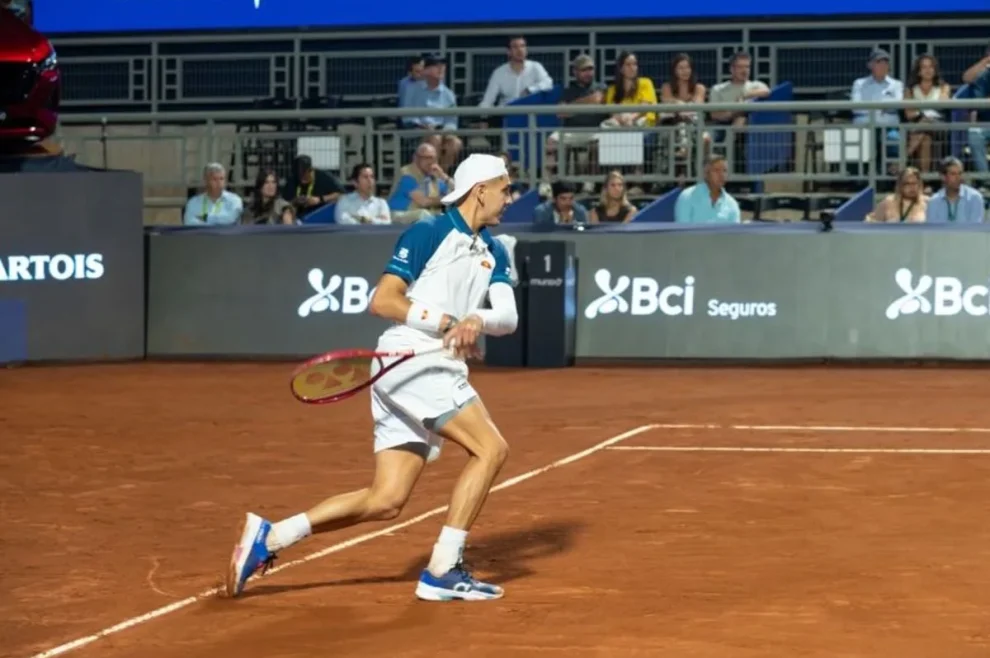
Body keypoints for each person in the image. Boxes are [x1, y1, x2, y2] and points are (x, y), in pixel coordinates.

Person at [225, 153, 518, 602]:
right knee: (491, 448)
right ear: (480, 190)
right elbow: (383, 300)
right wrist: (447, 322)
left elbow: (508, 317)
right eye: (505, 188)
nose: (510, 198)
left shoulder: (495, 250)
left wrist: (476, 319)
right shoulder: (428, 231)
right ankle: (442, 568)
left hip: (423, 367)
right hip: (411, 360)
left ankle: (272, 536)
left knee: (386, 499)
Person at [924, 157, 986, 223]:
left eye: (960, 173)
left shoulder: (974, 198)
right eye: (953, 174)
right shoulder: (934, 201)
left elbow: (975, 227)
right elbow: (932, 228)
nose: (958, 178)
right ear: (943, 177)